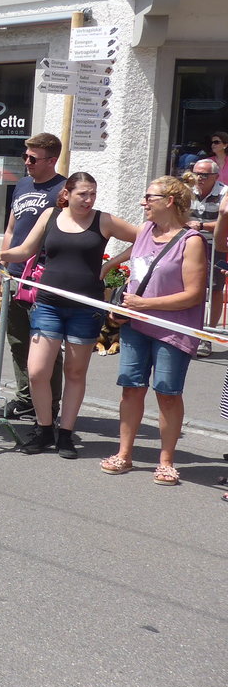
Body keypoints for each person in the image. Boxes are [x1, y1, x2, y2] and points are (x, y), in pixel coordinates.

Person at [0, 173, 138, 457]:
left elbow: (144, 239)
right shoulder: (50, 215)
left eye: (93, 194)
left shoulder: (103, 220)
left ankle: (65, 434)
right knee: (38, 370)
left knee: (75, 373)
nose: (89, 200)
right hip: (48, 303)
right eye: (83, 194)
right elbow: (25, 249)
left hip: (85, 306)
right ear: (68, 193)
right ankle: (43, 429)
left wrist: (110, 264)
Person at [100, 175, 206, 486]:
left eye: (149, 197)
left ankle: (167, 461)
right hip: (136, 325)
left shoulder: (192, 241)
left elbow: (194, 294)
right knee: (131, 387)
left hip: (173, 329)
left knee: (167, 393)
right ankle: (124, 454)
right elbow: (136, 256)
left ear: (169, 201)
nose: (143, 202)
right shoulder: (145, 230)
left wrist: (145, 304)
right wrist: (109, 267)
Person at [0, 133, 66, 421]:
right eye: (25, 156)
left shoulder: (62, 189)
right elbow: (12, 229)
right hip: (15, 275)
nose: (26, 162)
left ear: (52, 160)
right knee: (18, 341)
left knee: (46, 344)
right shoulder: (23, 184)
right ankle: (26, 397)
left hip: (43, 277)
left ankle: (49, 404)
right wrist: (3, 263)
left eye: (33, 158)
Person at [187, 157, 225, 355]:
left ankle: (207, 336)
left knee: (215, 289)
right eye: (196, 173)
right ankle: (188, 331)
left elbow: (225, 221)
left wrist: (202, 226)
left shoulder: (224, 193)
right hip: (189, 244)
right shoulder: (187, 190)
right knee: (189, 287)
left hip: (215, 245)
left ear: (216, 177)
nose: (199, 177)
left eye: (204, 174)